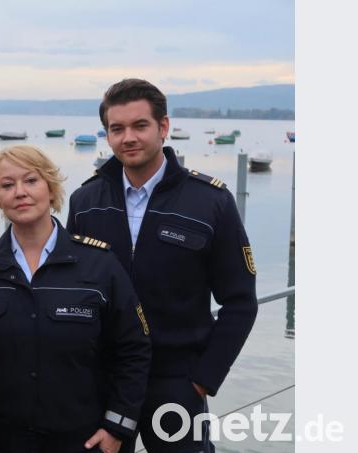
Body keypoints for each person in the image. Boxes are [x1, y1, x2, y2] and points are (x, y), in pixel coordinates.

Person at [66, 78, 259, 453]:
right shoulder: (86, 202)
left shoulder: (210, 202)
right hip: (104, 381)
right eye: (117, 129)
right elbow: (72, 289)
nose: (128, 138)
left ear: (163, 127)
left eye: (140, 125)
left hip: (177, 382)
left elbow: (240, 301)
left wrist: (203, 379)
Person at [0, 145, 151, 453]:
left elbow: (134, 349)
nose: (20, 192)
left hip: (78, 441)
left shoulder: (99, 265)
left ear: (51, 188)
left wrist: (117, 426)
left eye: (31, 180)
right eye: (7, 185)